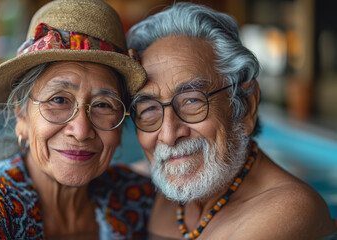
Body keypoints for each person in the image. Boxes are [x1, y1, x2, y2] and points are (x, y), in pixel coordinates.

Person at [0, 0, 155, 239]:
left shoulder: (135, 195)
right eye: (59, 100)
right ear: (21, 115)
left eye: (103, 105)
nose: (82, 130)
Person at [126, 2, 336, 239]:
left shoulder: (287, 210)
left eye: (192, 101)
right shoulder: (163, 192)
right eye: (149, 109)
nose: (168, 134)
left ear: (245, 106)